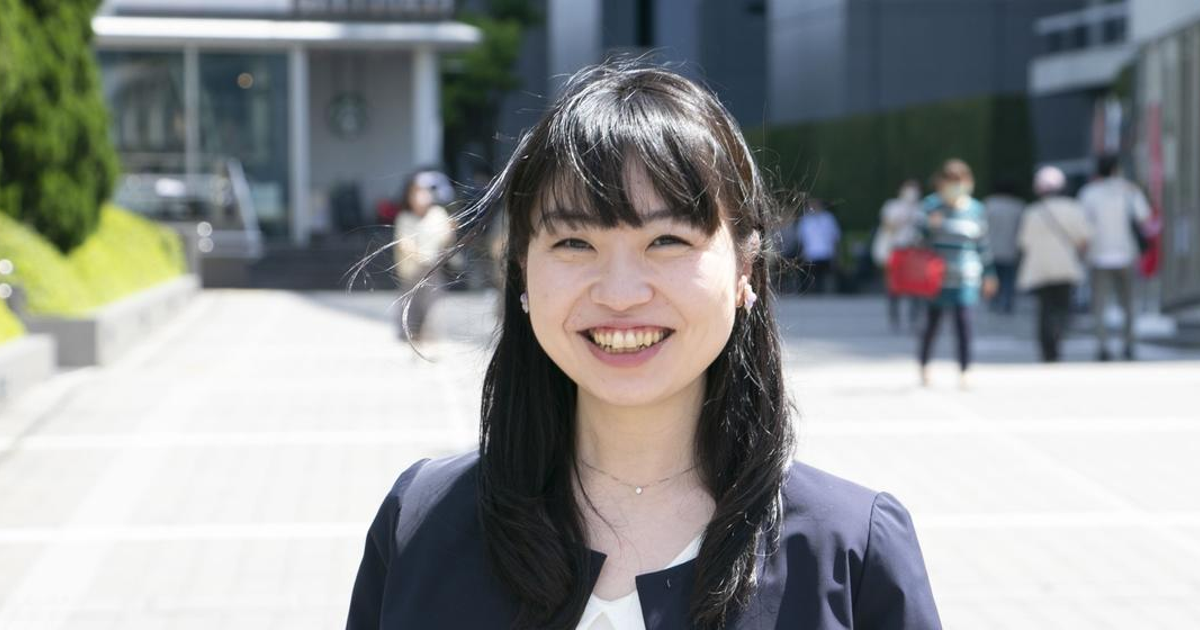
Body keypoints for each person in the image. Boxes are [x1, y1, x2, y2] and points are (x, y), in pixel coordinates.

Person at [348, 62, 940, 629]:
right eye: (575, 243)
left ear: (745, 268)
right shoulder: (419, 524)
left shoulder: (850, 553)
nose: (621, 294)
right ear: (522, 270)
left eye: (667, 240)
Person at [917, 159, 998, 389]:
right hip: (936, 276)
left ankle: (964, 370)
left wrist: (989, 274)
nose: (956, 186)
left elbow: (982, 244)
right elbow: (917, 241)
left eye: (960, 181)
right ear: (941, 183)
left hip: (966, 275)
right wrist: (928, 227)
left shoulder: (975, 209)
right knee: (932, 324)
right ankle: (924, 366)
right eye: (951, 181)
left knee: (964, 323)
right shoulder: (930, 206)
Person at [1077, 155, 1151, 361]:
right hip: (1126, 253)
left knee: (1099, 304)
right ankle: (1129, 344)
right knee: (1128, 303)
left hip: (1098, 254)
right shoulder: (1129, 191)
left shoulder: (1089, 193)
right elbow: (1144, 218)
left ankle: (1102, 345)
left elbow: (1081, 224)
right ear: (1117, 169)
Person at [1017, 166, 1091, 362]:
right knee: (1062, 308)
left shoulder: (1032, 212)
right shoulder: (1073, 208)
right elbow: (1084, 239)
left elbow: (1024, 242)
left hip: (1039, 267)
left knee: (1044, 308)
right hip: (1065, 266)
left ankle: (1047, 348)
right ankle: (1057, 339)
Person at [392, 171, 454, 341]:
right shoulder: (404, 217)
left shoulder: (438, 213)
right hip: (411, 274)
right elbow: (404, 243)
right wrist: (422, 256)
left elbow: (446, 238)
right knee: (410, 314)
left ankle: (430, 339)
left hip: (433, 272)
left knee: (433, 310)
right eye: (416, 192)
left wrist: (450, 232)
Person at [875, 179, 923, 331]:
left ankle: (914, 318)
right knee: (894, 286)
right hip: (895, 250)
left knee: (916, 287)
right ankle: (894, 318)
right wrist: (904, 218)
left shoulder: (921, 208)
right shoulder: (892, 205)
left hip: (914, 251)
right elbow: (887, 225)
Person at [983, 179, 1025, 315]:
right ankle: (1007, 303)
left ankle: (993, 302)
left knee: (992, 277)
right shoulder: (1018, 206)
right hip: (1011, 248)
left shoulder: (989, 204)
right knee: (1009, 279)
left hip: (990, 248)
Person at [796, 198, 841, 294]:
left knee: (822, 272)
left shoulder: (828, 218)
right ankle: (808, 289)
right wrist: (802, 253)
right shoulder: (805, 220)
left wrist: (836, 254)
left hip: (826, 253)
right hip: (810, 254)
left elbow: (835, 237)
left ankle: (821, 289)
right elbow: (801, 239)